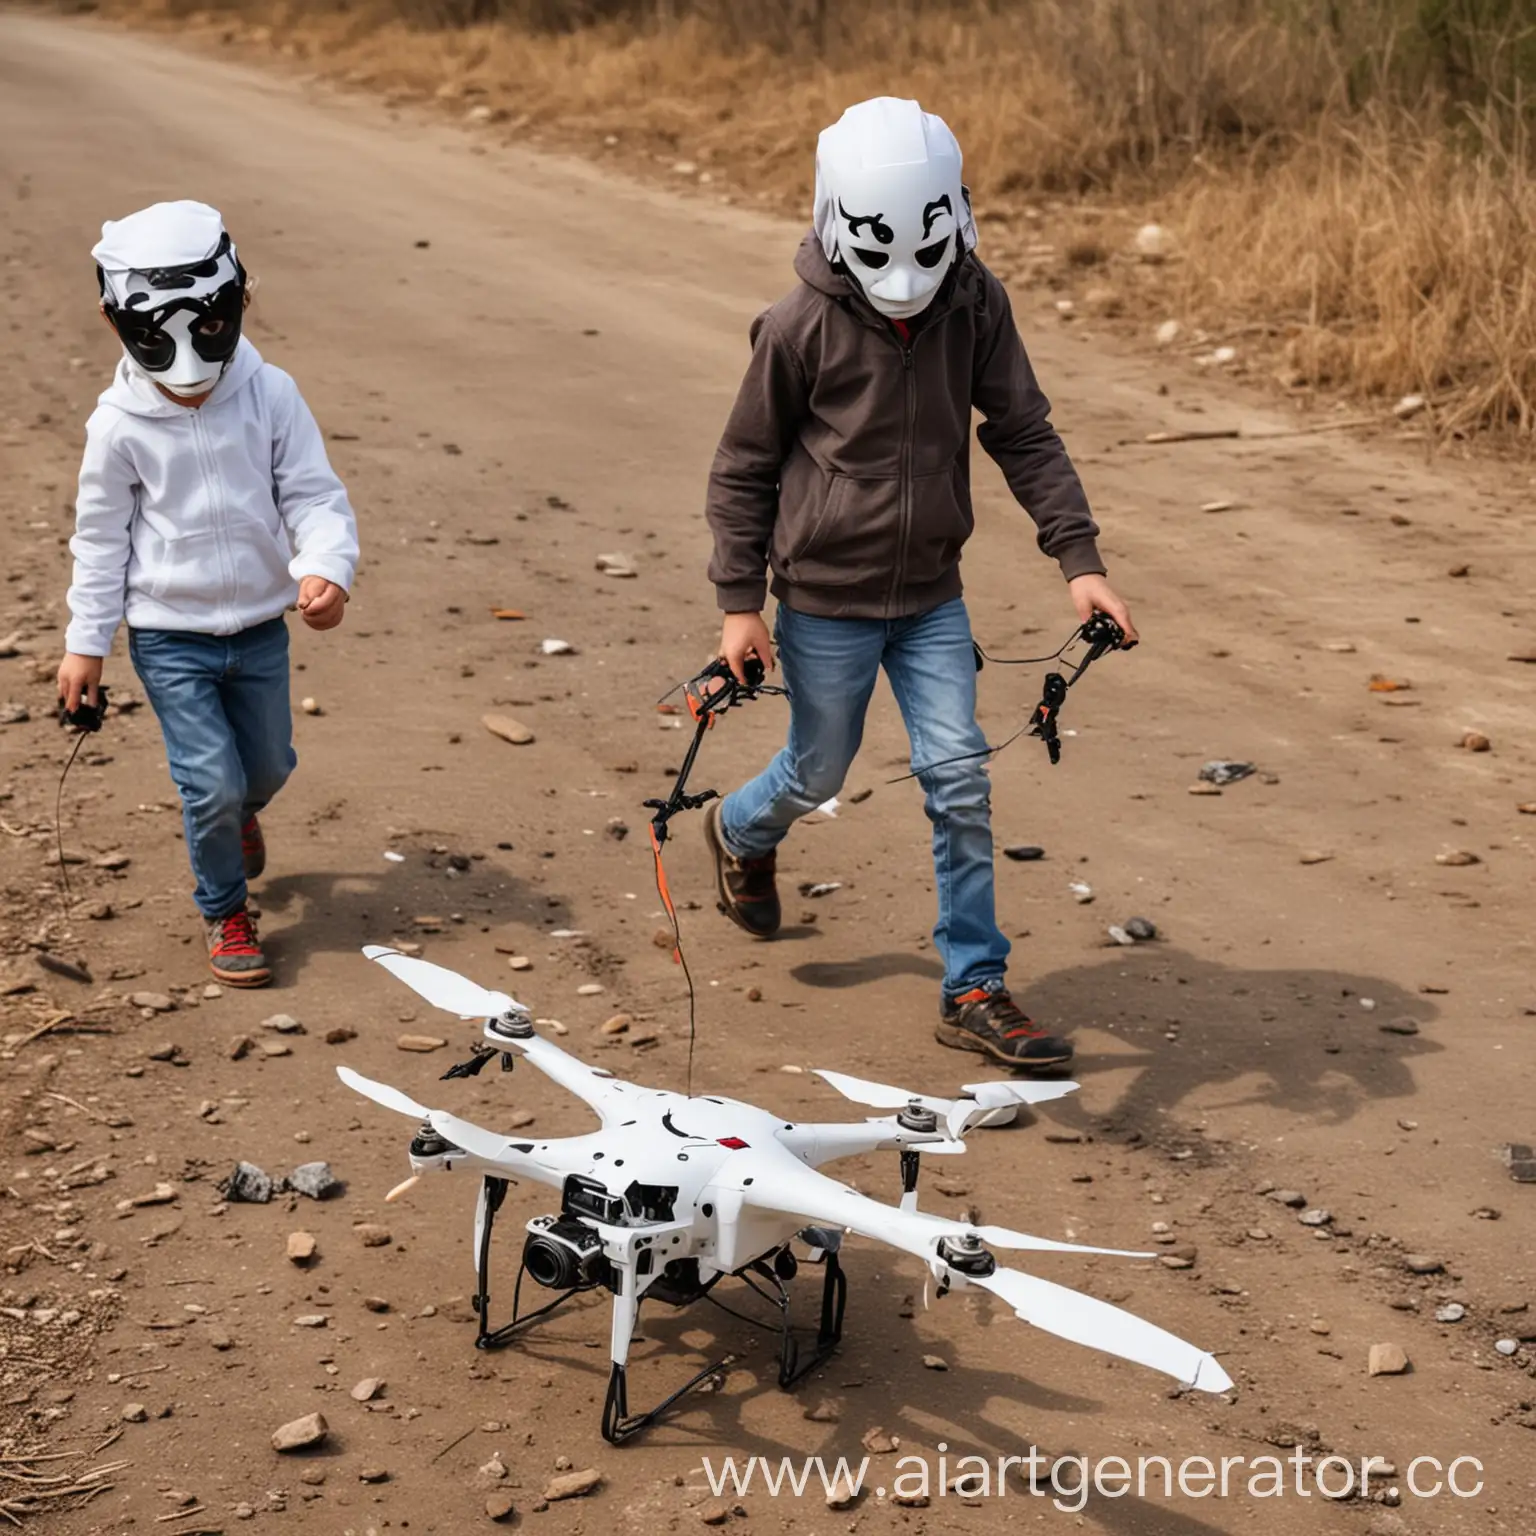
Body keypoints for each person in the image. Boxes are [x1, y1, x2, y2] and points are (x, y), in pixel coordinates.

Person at [701, 97, 1137, 1071]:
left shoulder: (975, 302)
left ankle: (974, 985)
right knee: (818, 773)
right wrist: (741, 604)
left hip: (933, 598)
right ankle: (737, 829)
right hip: (823, 601)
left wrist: (1083, 562)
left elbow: (1023, 430)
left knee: (960, 779)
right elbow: (742, 468)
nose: (907, 282)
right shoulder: (798, 324)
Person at [57, 200, 359, 988]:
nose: (188, 376)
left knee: (264, 769)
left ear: (238, 304)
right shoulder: (117, 425)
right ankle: (224, 907)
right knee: (211, 783)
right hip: (169, 635)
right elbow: (100, 538)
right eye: (158, 341)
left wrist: (327, 566)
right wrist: (86, 644)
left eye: (208, 335)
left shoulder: (271, 395)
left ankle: (238, 816)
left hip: (261, 626)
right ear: (114, 320)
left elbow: (314, 496)